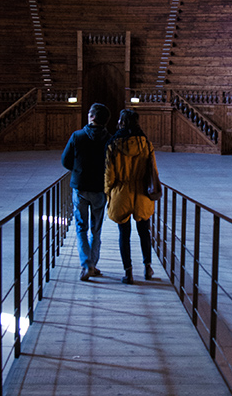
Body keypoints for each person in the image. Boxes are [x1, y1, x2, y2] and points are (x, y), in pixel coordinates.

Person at [104, 108, 159, 284]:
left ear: (121, 122)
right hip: (142, 193)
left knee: (124, 234)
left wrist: (108, 193)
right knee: (144, 232)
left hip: (121, 193)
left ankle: (128, 273)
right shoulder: (146, 144)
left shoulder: (113, 145)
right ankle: (148, 267)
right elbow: (153, 171)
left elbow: (109, 176)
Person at [61, 103, 111, 281]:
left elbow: (65, 161)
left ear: (91, 117)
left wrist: (78, 170)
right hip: (99, 189)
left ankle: (86, 264)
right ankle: (93, 264)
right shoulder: (110, 139)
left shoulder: (77, 136)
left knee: (81, 227)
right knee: (96, 229)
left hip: (81, 187)